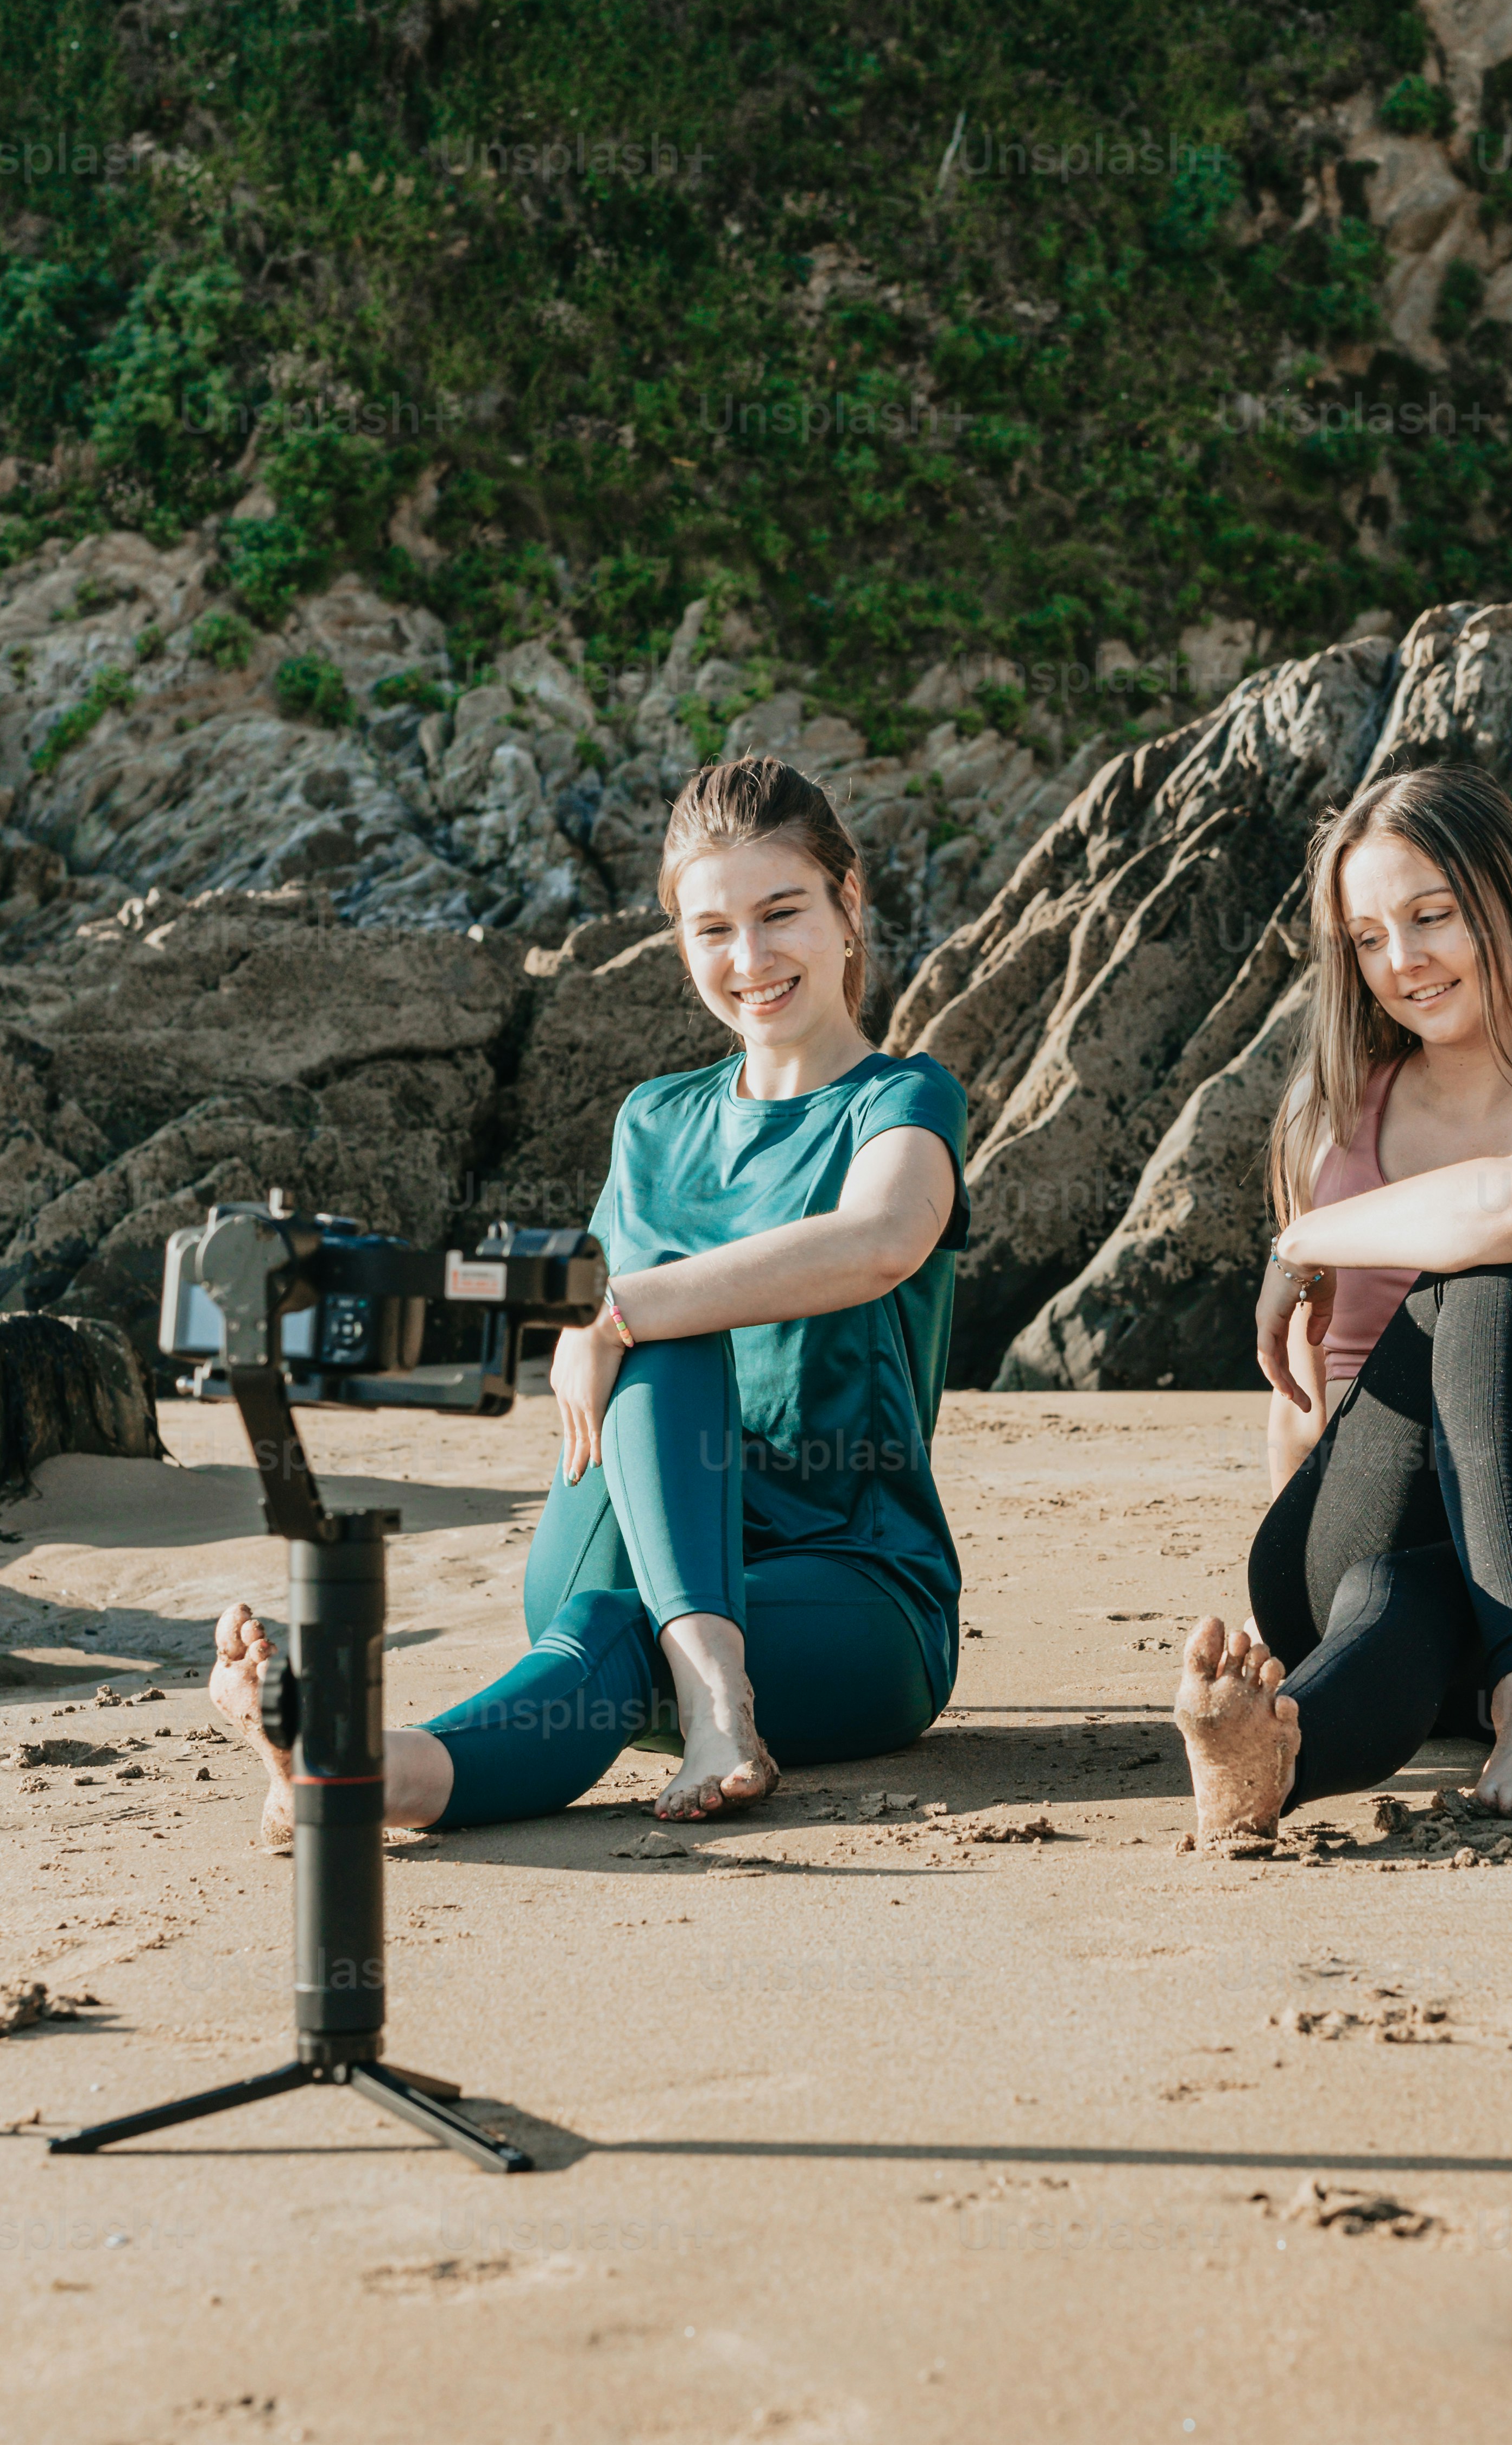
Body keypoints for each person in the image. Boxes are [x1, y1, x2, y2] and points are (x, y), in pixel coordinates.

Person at [208, 754, 970, 1838]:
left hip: (849, 1595)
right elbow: (593, 1341)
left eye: (780, 912)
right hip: (619, 1548)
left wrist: (614, 1313)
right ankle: (707, 1697)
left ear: (848, 906)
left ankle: (365, 1765)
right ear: (680, 943)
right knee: (643, 1335)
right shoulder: (654, 1120)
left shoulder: (902, 1098)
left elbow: (882, 1239)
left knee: (642, 1338)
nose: (748, 958)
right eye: (712, 929)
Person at [1173, 762, 1512, 1842]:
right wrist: (1275, 1606)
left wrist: (1298, 1238)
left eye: (1431, 916)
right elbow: (1305, 1393)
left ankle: (1277, 1768)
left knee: (1501, 1254)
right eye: (1365, 936)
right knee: (1375, 1575)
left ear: (1508, 903)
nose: (1402, 962)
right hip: (1352, 1512)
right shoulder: (1331, 1115)